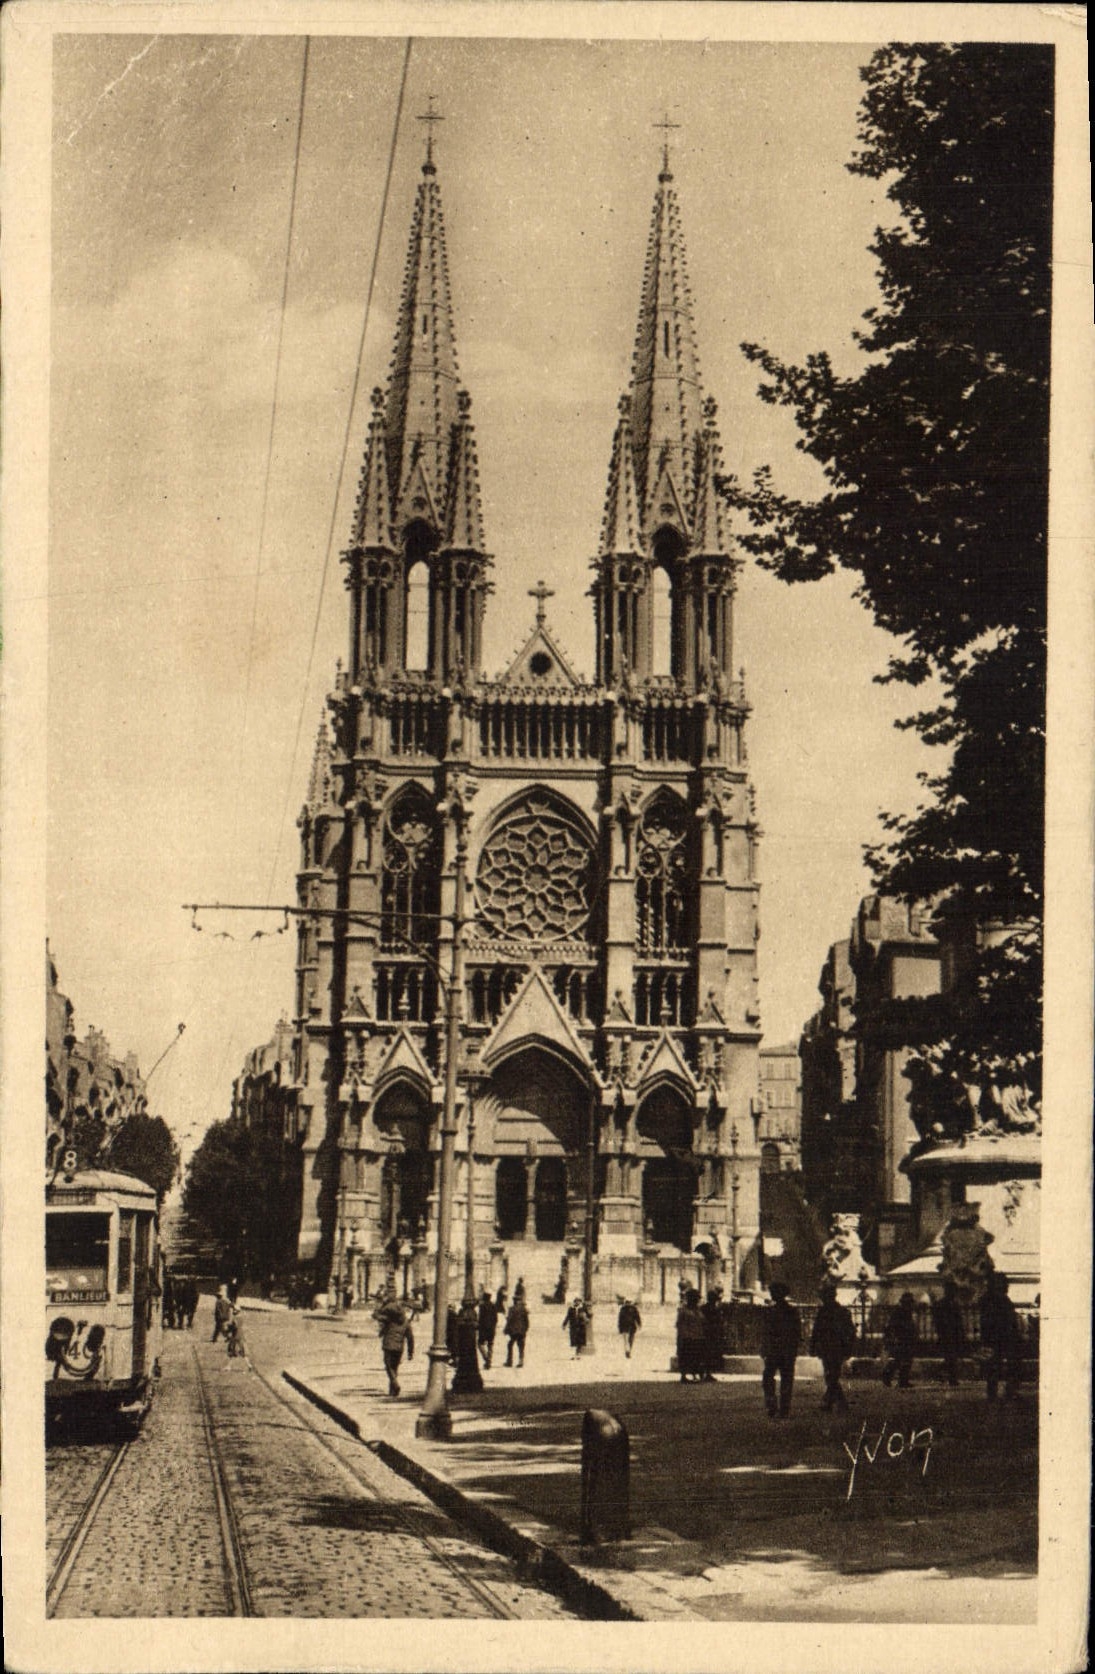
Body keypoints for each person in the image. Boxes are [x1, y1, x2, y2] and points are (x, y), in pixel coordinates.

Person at [810, 1283, 857, 1411]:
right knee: (832, 1375)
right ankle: (835, 1402)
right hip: (836, 1348)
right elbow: (851, 1331)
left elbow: (816, 1331)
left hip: (829, 1347)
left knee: (831, 1375)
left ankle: (835, 1402)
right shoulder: (842, 1311)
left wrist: (813, 1346)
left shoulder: (825, 1312)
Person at [760, 1281, 801, 1417]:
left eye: (774, 1292)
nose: (772, 1295)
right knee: (786, 1378)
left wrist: (765, 1348)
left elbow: (766, 1332)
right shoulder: (791, 1311)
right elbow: (797, 1332)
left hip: (775, 1350)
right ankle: (783, 1407)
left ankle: (774, 1404)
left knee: (769, 1377)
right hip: (785, 1350)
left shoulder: (772, 1311)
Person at [980, 1273, 1022, 1400]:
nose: (1007, 1286)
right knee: (1011, 1363)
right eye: (1005, 1284)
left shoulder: (987, 1299)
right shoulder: (1002, 1300)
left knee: (993, 1365)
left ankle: (992, 1391)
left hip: (992, 1337)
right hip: (1004, 1337)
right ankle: (1010, 1389)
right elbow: (1009, 1320)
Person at [374, 1289, 415, 1397]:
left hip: (388, 1345)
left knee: (388, 1366)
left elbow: (376, 1316)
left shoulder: (390, 1320)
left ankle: (395, 1384)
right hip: (399, 1347)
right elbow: (410, 1338)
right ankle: (392, 1391)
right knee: (395, 1367)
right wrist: (410, 1352)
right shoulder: (406, 1323)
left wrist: (382, 1304)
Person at [931, 1280, 966, 1387]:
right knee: (951, 1357)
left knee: (951, 1357)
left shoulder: (952, 1304)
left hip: (952, 1334)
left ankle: (948, 1377)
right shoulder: (944, 1304)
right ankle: (950, 1378)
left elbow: (958, 1320)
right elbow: (939, 1319)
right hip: (947, 1334)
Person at [881, 1292, 918, 1389]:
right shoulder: (898, 1311)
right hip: (900, 1338)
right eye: (908, 1302)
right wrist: (894, 1337)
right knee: (898, 1360)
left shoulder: (907, 1312)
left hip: (907, 1338)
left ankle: (903, 1380)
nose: (910, 1305)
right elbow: (892, 1325)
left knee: (906, 1360)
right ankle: (887, 1376)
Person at [675, 1289, 706, 1382]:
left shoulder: (698, 1310)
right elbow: (679, 1325)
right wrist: (683, 1337)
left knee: (696, 1357)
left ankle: (694, 1374)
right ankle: (684, 1376)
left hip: (698, 1337)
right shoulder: (684, 1311)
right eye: (696, 1298)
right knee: (686, 1356)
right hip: (687, 1337)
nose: (697, 1300)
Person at [701, 1286, 725, 1381]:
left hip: (707, 1333)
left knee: (707, 1354)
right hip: (711, 1334)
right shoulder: (715, 1309)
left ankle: (706, 1373)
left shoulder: (704, 1308)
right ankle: (707, 1373)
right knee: (709, 1354)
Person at [504, 1285, 529, 1367]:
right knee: (521, 1346)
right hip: (521, 1331)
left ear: (514, 1301)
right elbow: (526, 1320)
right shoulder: (523, 1309)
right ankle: (521, 1361)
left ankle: (509, 1361)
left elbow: (509, 1320)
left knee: (510, 1345)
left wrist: (506, 1329)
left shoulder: (511, 1309)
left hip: (513, 1331)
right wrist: (525, 1329)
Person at [477, 1289, 499, 1368]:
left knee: (480, 1344)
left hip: (483, 1329)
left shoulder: (482, 1306)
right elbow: (496, 1319)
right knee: (490, 1344)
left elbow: (480, 1318)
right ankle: (488, 1359)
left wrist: (478, 1326)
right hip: (491, 1329)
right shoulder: (493, 1306)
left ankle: (486, 1359)